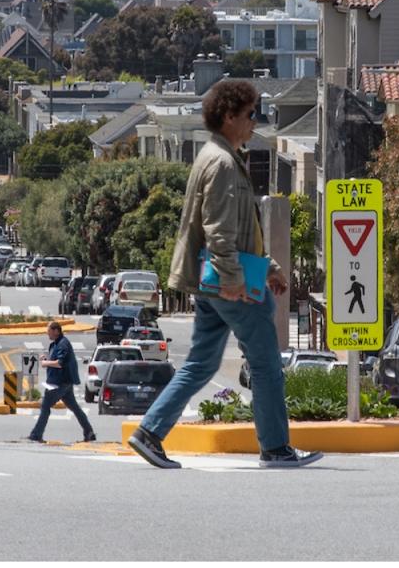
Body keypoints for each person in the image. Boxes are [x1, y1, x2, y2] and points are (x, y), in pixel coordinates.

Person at [128, 79, 322, 469]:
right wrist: (236, 283)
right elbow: (219, 231)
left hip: (214, 283)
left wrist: (266, 267)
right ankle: (276, 448)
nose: (256, 121)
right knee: (266, 365)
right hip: (229, 286)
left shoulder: (217, 156)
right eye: (250, 114)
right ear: (229, 116)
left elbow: (234, 228)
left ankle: (149, 432)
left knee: (201, 363)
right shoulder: (221, 164)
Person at [28, 320, 96, 443]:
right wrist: (46, 359)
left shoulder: (63, 344)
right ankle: (89, 432)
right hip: (61, 382)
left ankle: (36, 434)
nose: (47, 335)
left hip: (60, 383)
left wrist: (44, 363)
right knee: (75, 408)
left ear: (56, 331)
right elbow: (54, 360)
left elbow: (59, 363)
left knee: (45, 405)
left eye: (49, 332)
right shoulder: (54, 344)